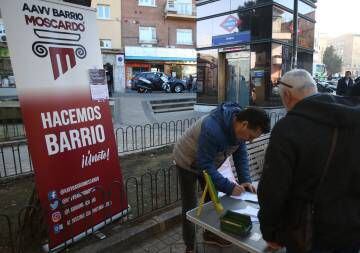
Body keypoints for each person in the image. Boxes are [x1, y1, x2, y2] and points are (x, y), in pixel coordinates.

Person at [258, 69, 360, 253]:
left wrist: (270, 231)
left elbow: (273, 189)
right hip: (352, 229)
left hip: (309, 233)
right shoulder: (353, 116)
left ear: (287, 95)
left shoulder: (288, 128)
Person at [173, 103, 270, 253]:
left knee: (212, 201)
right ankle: (190, 245)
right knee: (190, 205)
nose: (250, 140)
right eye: (250, 136)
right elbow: (204, 165)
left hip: (207, 161)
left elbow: (240, 154)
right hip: (187, 161)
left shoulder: (239, 131)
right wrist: (229, 187)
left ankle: (210, 234)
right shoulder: (212, 129)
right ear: (244, 124)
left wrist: (245, 180)